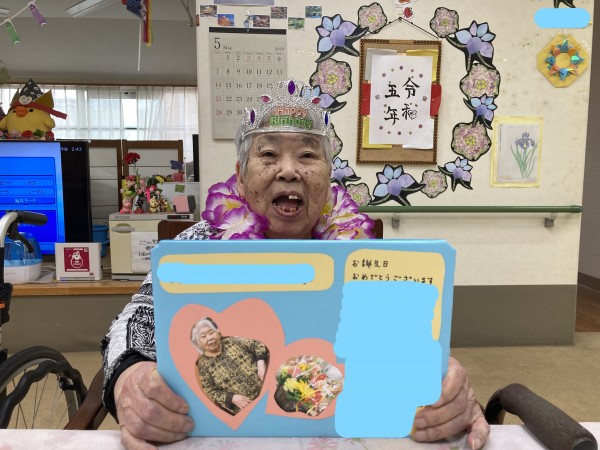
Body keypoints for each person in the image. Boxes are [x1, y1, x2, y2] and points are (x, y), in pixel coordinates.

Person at [101, 79, 490, 450]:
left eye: (307, 155)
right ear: (240, 177)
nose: (289, 170)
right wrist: (128, 376)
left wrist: (445, 387)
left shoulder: (361, 254)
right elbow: (135, 320)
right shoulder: (199, 244)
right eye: (268, 155)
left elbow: (403, 341)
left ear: (328, 178)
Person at [190, 317, 269, 415]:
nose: (209, 338)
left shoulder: (232, 341)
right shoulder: (203, 365)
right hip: (246, 407)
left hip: (267, 389)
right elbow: (210, 390)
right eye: (203, 336)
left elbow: (257, 345)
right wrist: (231, 398)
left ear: (217, 333)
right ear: (198, 344)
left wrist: (261, 364)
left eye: (211, 333)